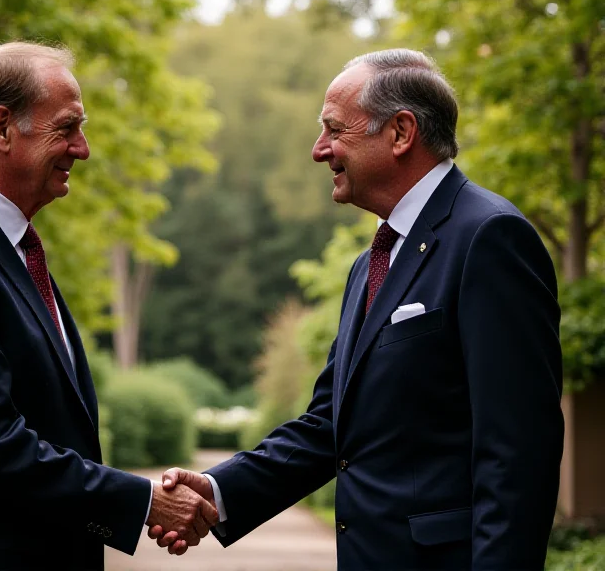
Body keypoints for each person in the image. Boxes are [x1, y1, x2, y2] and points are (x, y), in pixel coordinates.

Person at [151, 49, 564, 570]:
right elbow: (331, 425)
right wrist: (217, 489)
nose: (319, 150)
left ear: (400, 133)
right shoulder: (370, 263)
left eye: (334, 130)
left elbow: (518, 453)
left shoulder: (489, 238)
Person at [0, 42, 217, 571]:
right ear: (3, 128)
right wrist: (144, 501)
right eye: (67, 127)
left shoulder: (9, 248)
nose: (82, 149)